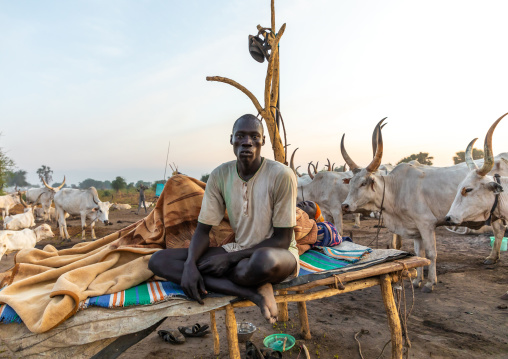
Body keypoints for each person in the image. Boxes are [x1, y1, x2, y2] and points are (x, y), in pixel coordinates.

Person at [148, 114, 298, 323]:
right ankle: (253, 293)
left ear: (263, 141)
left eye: (254, 136)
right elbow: (203, 230)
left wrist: (228, 259)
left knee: (263, 261)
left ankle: (246, 279)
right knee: (159, 261)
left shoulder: (281, 174)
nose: (247, 142)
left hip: (277, 254)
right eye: (241, 136)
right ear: (232, 140)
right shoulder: (220, 175)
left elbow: (282, 240)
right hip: (240, 250)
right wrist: (190, 265)